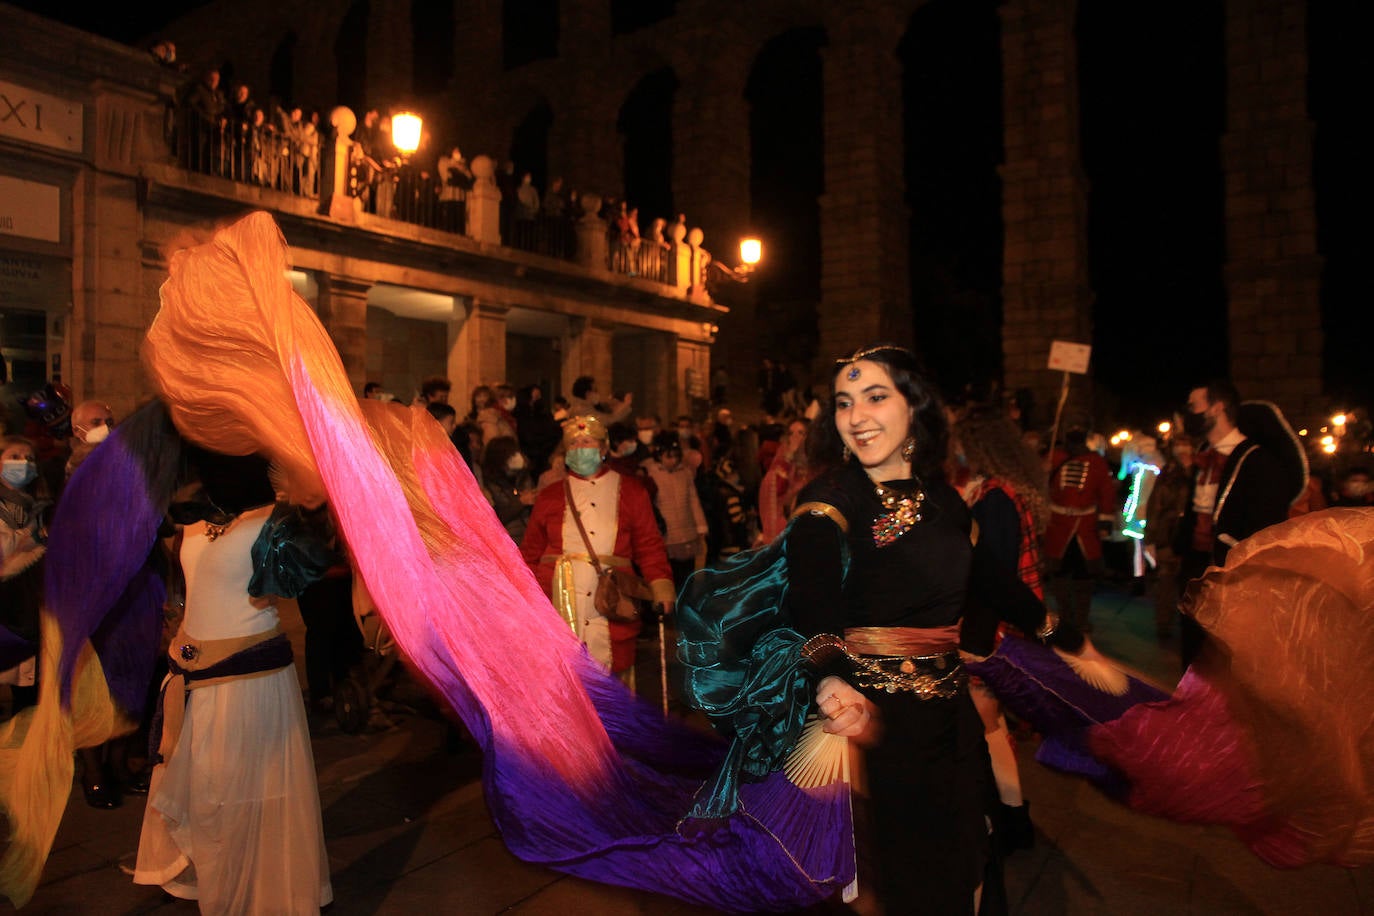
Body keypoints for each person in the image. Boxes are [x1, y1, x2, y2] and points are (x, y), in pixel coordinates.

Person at [772, 344, 1073, 913]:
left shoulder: (944, 499)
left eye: (875, 396)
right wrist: (830, 683)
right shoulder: (829, 502)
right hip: (872, 724)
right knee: (893, 882)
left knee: (963, 864)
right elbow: (807, 607)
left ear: (915, 406)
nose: (856, 416)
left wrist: (1061, 634)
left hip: (950, 720)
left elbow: (990, 580)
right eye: (843, 402)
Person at [951, 403, 1051, 855]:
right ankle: (1007, 817)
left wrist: (975, 643)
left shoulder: (995, 498)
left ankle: (1007, 821)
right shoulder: (998, 492)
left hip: (986, 632)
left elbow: (996, 578)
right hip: (988, 628)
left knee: (987, 728)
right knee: (989, 728)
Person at [518, 416, 674, 683]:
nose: (580, 447)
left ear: (602, 449)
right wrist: (524, 594)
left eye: (587, 441)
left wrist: (660, 585)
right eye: (574, 443)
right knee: (562, 678)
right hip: (558, 602)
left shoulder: (632, 491)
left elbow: (649, 544)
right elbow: (530, 552)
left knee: (610, 679)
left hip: (611, 600)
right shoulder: (550, 496)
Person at [1175, 382, 1290, 667]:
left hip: (1234, 577)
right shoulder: (1204, 455)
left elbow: (1266, 528)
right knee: (1194, 653)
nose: (1188, 413)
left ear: (1217, 407)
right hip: (1196, 569)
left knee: (1227, 662)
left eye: (1193, 405)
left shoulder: (1258, 460)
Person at [1042, 428, 1117, 633]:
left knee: (1084, 575)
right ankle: (1066, 617)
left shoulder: (1097, 461)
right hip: (1058, 524)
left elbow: (1106, 491)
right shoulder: (1054, 457)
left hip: (1085, 525)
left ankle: (1081, 619)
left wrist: (1104, 522)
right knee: (1059, 573)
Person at [0, 437, 50, 716]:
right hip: (6, 604)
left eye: (29, 458)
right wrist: (30, 539)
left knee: (27, 692)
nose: (23, 463)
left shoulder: (36, 507)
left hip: (28, 605)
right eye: (15, 455)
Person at [641, 432, 707, 590]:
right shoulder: (650, 473)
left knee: (687, 578)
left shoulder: (685, 473)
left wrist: (701, 525)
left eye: (676, 456)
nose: (673, 461)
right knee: (669, 577)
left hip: (687, 532)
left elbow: (693, 500)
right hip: (666, 535)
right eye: (668, 456)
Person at [1143, 437, 1194, 638]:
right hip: (1167, 536)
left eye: (1185, 443)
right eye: (1178, 444)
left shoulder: (1200, 470)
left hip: (1190, 537)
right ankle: (1163, 625)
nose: (1182, 448)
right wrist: (1150, 537)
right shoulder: (1167, 473)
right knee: (1165, 582)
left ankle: (1189, 627)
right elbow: (1155, 505)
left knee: (1191, 585)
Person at [757, 418, 811, 543]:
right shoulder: (782, 462)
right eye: (791, 433)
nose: (795, 437)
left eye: (801, 433)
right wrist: (788, 459)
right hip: (783, 524)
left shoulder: (815, 464)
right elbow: (776, 488)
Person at [480, 436, 536, 543]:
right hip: (510, 539)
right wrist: (520, 502)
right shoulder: (490, 484)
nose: (517, 457)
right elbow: (494, 517)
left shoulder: (523, 476)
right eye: (512, 454)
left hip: (530, 535)